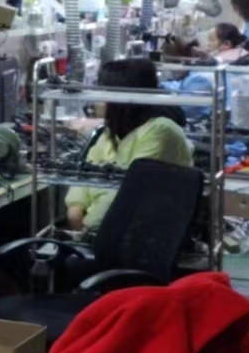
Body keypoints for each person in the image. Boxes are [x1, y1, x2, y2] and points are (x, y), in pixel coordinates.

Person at [66, 58, 192, 232]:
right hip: (102, 227)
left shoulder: (160, 131)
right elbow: (86, 172)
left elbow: (127, 192)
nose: (97, 100)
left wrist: (88, 226)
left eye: (103, 91)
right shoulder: (114, 131)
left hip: (142, 231)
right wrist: (75, 209)